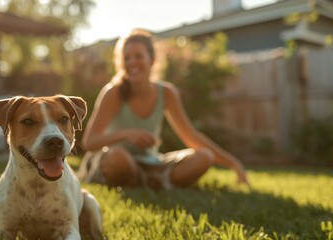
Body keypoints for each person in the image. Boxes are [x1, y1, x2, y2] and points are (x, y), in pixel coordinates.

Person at [79, 29, 249, 188]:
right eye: (127, 58)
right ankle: (152, 181)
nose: (132, 62)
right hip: (116, 159)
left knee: (204, 157)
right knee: (118, 158)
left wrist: (233, 163)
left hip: (152, 163)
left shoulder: (167, 93)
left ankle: (148, 179)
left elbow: (191, 136)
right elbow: (89, 142)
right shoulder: (113, 93)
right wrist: (127, 134)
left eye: (138, 56)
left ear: (151, 60)